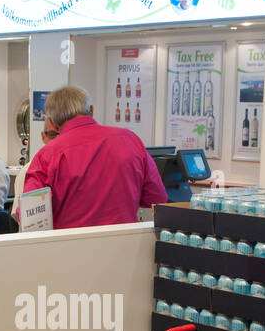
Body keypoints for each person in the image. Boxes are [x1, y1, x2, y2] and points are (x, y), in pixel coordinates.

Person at [22, 86, 167, 229]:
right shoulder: (130, 140)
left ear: (52, 123)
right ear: (91, 110)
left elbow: (31, 219)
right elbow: (156, 198)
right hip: (125, 246)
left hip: (69, 248)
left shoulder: (47, 155)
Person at [12, 118, 61, 220]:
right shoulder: (27, 171)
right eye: (52, 134)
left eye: (60, 134)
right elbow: (21, 216)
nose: (57, 139)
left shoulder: (69, 167)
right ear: (43, 137)